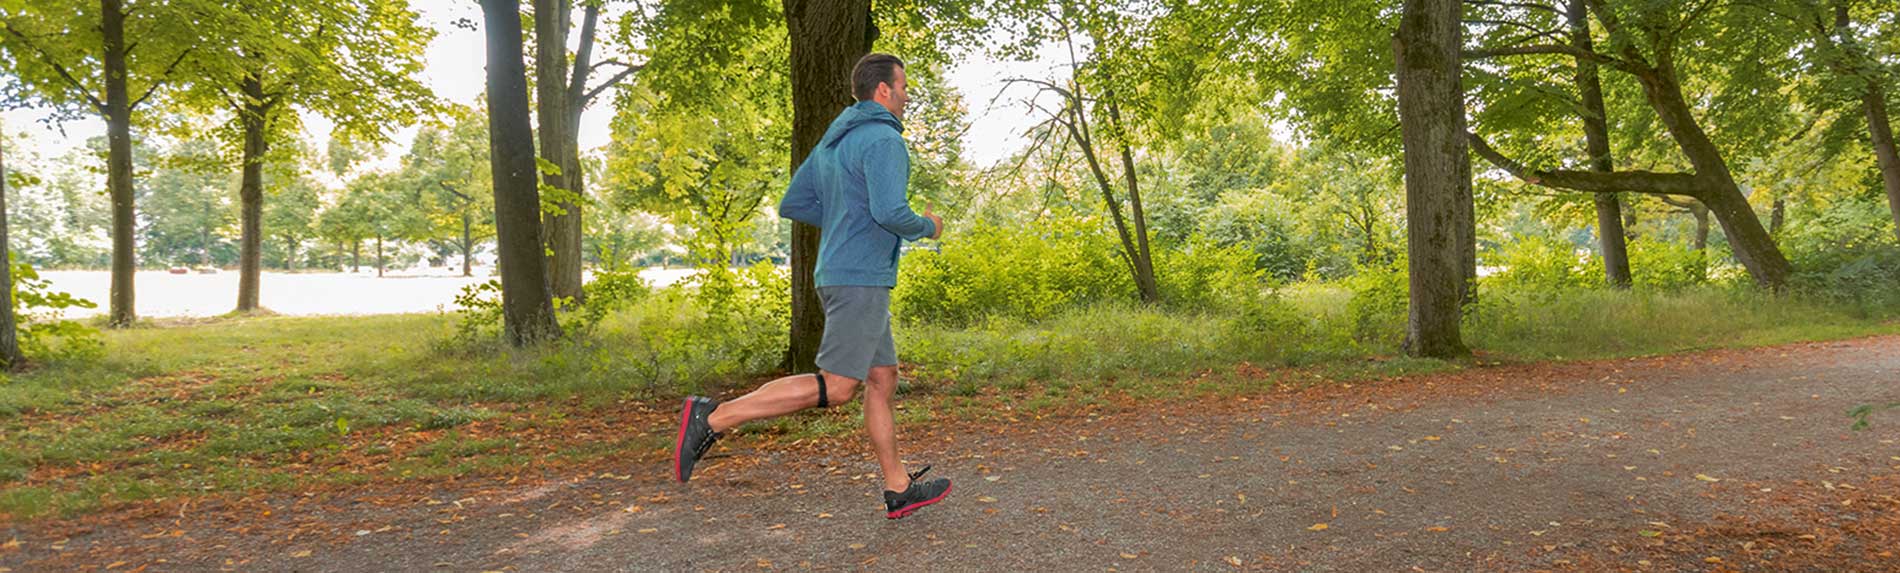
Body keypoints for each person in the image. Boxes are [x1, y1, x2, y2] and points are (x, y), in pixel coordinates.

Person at [672, 53, 951, 520]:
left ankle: (898, 486)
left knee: (882, 377)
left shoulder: (832, 143)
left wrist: (846, 219)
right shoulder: (884, 139)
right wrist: (929, 227)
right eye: (903, 87)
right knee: (839, 387)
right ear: (883, 90)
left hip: (841, 271)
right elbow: (890, 212)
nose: (907, 95)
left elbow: (794, 203)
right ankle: (714, 417)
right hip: (859, 277)